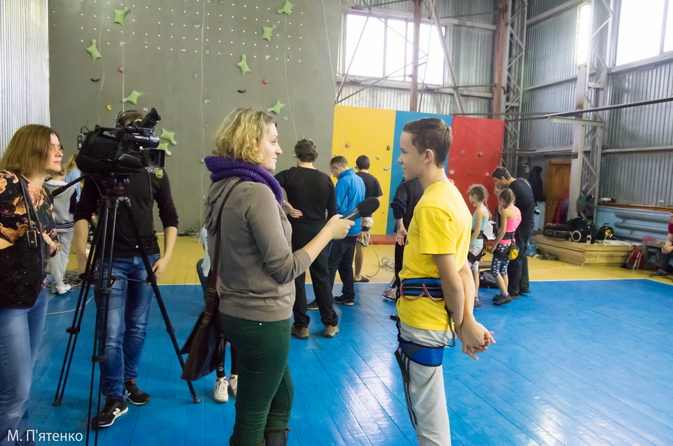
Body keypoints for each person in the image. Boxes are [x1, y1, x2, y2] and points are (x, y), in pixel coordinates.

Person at [203, 107, 352, 446]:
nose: (279, 149)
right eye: (272, 141)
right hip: (262, 320)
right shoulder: (255, 192)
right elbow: (285, 268)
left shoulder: (224, 185)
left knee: (281, 399)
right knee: (252, 417)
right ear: (249, 143)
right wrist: (328, 231)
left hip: (238, 312)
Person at [73, 110, 179, 429]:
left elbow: (170, 216)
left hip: (147, 258)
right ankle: (113, 396)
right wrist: (81, 252)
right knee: (110, 333)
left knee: (136, 327)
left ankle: (129, 381)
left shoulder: (154, 170)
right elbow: (82, 211)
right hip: (110, 258)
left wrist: (168, 255)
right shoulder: (102, 170)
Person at [394, 118, 495, 445]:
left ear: (426, 155)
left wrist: (465, 322)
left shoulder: (433, 206)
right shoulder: (454, 200)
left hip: (423, 321)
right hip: (434, 320)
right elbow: (465, 269)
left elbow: (452, 277)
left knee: (428, 418)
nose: (399, 159)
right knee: (429, 408)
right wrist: (468, 320)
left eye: (404, 151)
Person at [0, 125, 61, 445]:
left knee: (20, 389)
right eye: (52, 146)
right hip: (8, 299)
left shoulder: (44, 194)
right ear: (32, 148)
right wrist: (21, 241)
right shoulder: (6, 182)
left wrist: (48, 246)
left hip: (36, 295)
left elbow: (42, 240)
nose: (59, 151)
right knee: (15, 391)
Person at [275, 139, 339, 339]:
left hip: (297, 233)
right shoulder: (325, 179)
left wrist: (285, 204)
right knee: (322, 277)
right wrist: (328, 234)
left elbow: (266, 185)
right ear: (315, 155)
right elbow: (334, 212)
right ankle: (329, 324)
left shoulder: (289, 175)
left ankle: (301, 325)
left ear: (296, 155)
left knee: (298, 279)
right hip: (319, 232)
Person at [196, 227, 238, 403]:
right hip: (214, 280)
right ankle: (220, 378)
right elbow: (205, 248)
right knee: (219, 331)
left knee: (237, 329)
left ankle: (235, 376)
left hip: (237, 280)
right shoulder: (210, 226)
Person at [328, 156, 365, 306]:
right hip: (355, 228)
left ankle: (322, 299)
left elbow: (337, 207)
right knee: (346, 264)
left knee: (330, 265)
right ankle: (348, 296)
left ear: (337, 168)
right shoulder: (359, 179)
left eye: (332, 171)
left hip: (342, 229)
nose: (332, 174)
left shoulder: (343, 181)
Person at [492, 167, 534, 297]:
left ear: (503, 178)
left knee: (514, 256)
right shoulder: (522, 181)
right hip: (527, 223)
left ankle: (513, 290)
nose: (496, 185)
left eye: (496, 181)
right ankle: (524, 286)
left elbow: (507, 206)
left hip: (521, 226)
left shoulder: (514, 188)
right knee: (521, 254)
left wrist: (498, 194)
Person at [383, 178, 422, 300]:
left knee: (401, 268)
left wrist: (400, 227)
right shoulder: (431, 185)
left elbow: (398, 205)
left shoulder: (406, 185)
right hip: (424, 237)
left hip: (406, 235)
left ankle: (401, 300)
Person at [44, 165, 77, 295]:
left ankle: (55, 284)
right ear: (64, 173)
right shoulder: (71, 188)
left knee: (52, 255)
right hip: (67, 225)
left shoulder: (43, 186)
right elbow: (73, 209)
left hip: (50, 225)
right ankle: (59, 284)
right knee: (63, 255)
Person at [488, 188, 521, 306]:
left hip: (503, 244)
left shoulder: (506, 212)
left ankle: (505, 294)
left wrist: (493, 246)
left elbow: (502, 231)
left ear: (503, 199)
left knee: (495, 269)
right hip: (512, 243)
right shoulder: (517, 211)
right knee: (504, 269)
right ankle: (504, 292)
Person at [353, 155, 383, 283]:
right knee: (360, 247)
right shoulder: (374, 180)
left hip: (351, 216)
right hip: (366, 218)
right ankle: (357, 275)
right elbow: (378, 202)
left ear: (357, 165)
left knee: (347, 246)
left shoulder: (353, 178)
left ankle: (346, 274)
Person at [467, 184, 490, 308]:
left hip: (474, 244)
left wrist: (467, 244)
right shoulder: (482, 209)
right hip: (478, 243)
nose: (469, 198)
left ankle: (471, 295)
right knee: (475, 270)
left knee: (466, 269)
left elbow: (476, 231)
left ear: (475, 196)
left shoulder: (480, 210)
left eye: (470, 195)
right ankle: (474, 295)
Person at [650, 212, 673, 278]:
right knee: (665, 249)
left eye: (672, 217)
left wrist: (671, 248)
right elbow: (669, 239)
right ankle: (663, 271)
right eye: (670, 216)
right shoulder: (671, 225)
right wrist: (666, 246)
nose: (670, 218)